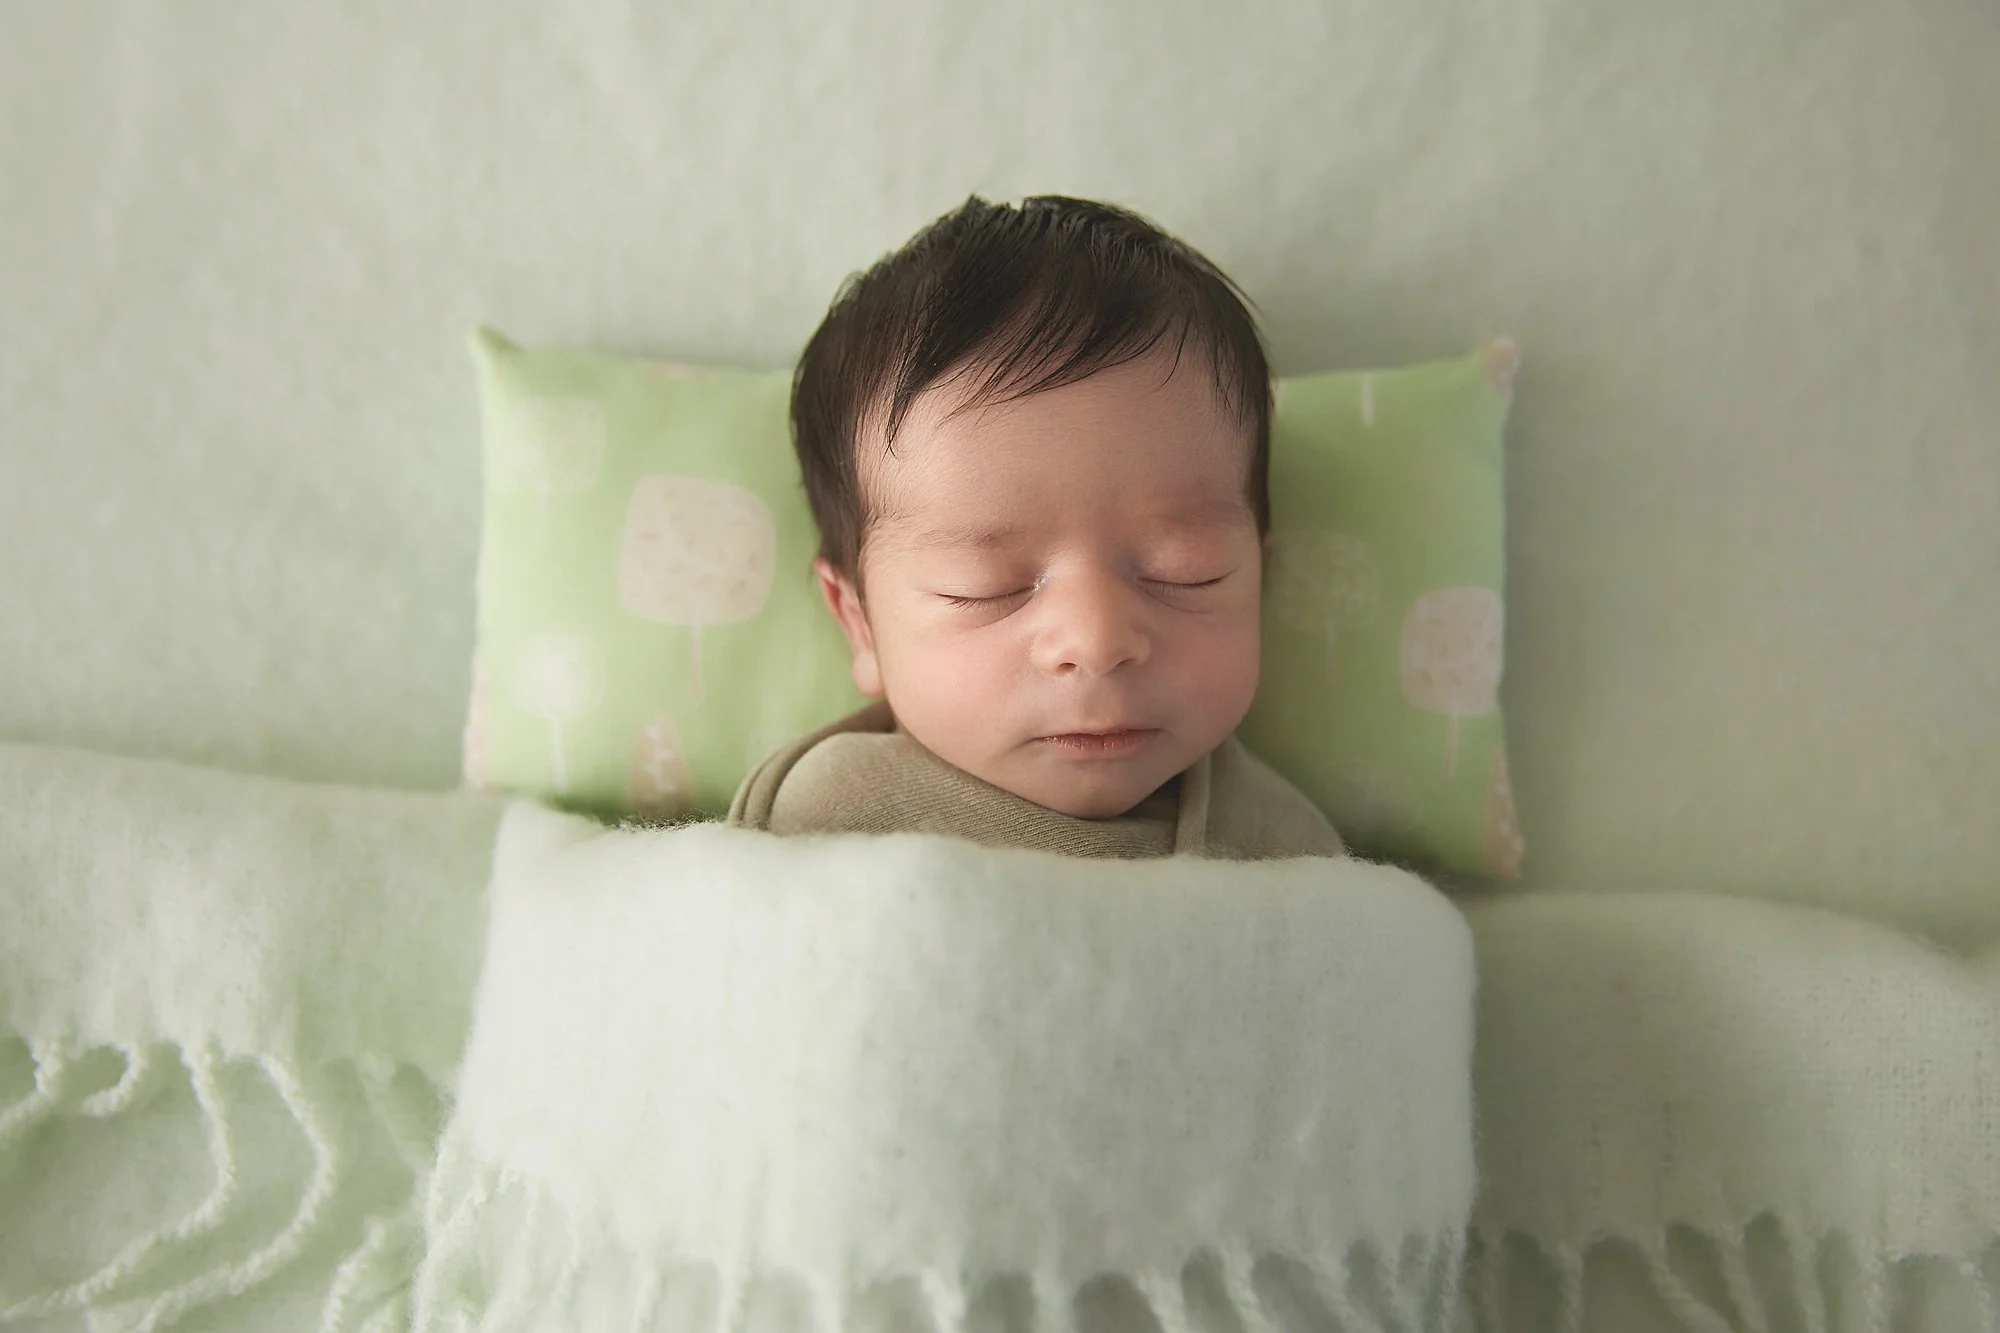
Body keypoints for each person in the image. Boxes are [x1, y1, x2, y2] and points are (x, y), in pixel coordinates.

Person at [728, 195, 1343, 860]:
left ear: (1259, 572)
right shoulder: (820, 823)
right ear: (859, 621)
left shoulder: (1286, 848)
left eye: (1186, 569)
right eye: (983, 586)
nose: (1096, 640)